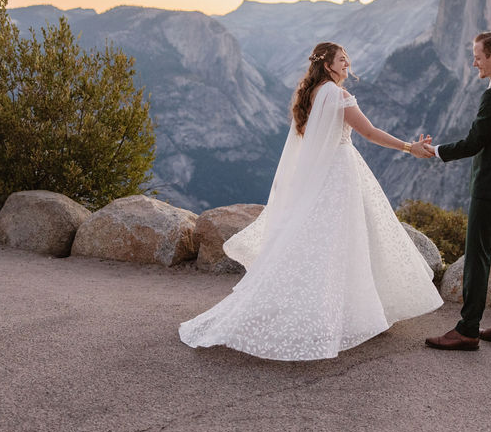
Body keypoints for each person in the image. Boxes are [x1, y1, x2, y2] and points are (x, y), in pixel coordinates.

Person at [179, 42, 443, 361]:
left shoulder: (311, 94)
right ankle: (354, 311)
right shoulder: (338, 95)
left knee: (323, 241)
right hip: (341, 173)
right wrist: (408, 147)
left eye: (348, 60)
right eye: (342, 60)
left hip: (322, 176)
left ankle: (339, 308)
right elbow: (370, 133)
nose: (348, 65)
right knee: (349, 240)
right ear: (328, 65)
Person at [422, 31, 491, 351]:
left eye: (478, 56)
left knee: (477, 259)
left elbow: (473, 142)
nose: (474, 63)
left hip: (489, 188)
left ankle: (468, 330)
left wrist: (437, 151)